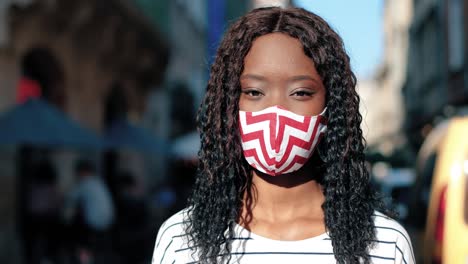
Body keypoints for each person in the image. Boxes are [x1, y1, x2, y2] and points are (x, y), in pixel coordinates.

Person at [152, 7, 414, 264]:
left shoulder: (384, 243)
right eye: (254, 92)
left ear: (331, 106)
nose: (275, 112)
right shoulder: (181, 241)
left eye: (300, 92)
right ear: (229, 105)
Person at [64, 159, 115, 263]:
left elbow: (69, 198)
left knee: (79, 241)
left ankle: (84, 260)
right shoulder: (99, 182)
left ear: (82, 172)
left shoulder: (85, 183)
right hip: (108, 224)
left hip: (94, 224)